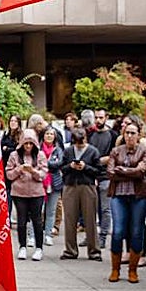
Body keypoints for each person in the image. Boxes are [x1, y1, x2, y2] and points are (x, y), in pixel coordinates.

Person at [107, 122, 146, 283]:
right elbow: (111, 173)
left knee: (136, 231)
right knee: (118, 231)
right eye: (127, 133)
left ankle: (133, 270)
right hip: (118, 195)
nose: (130, 136)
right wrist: (132, 171)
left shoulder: (145, 151)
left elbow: (142, 172)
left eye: (133, 133)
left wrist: (124, 170)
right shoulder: (116, 151)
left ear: (139, 135)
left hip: (139, 196)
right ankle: (115, 269)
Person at [60, 127, 103, 261]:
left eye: (81, 141)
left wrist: (85, 167)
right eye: (76, 141)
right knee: (69, 219)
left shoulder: (93, 151)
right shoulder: (68, 151)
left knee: (90, 219)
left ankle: (94, 251)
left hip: (87, 186)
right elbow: (62, 168)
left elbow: (99, 170)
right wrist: (70, 166)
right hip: (70, 185)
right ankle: (70, 250)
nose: (79, 144)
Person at [6, 129, 48, 260]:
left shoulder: (40, 155)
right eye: (26, 143)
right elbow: (9, 174)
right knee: (21, 221)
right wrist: (19, 169)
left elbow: (43, 174)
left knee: (37, 221)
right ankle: (22, 246)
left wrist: (33, 171)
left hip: (36, 193)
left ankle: (39, 248)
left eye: (31, 143)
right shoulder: (14, 155)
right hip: (19, 193)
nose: (28, 146)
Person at [85, 109, 118, 249]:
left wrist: (102, 160)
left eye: (101, 117)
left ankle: (103, 236)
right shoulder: (91, 134)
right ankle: (90, 236)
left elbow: (114, 155)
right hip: (90, 175)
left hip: (105, 176)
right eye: (96, 117)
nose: (98, 120)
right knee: (90, 208)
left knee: (105, 209)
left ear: (106, 118)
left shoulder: (112, 135)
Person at [41, 127, 65, 245]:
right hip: (39, 182)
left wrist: (45, 163)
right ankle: (33, 235)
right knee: (37, 211)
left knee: (51, 211)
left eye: (51, 134)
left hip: (54, 182)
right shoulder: (38, 148)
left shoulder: (58, 150)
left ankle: (48, 234)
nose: (49, 136)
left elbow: (59, 163)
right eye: (47, 134)